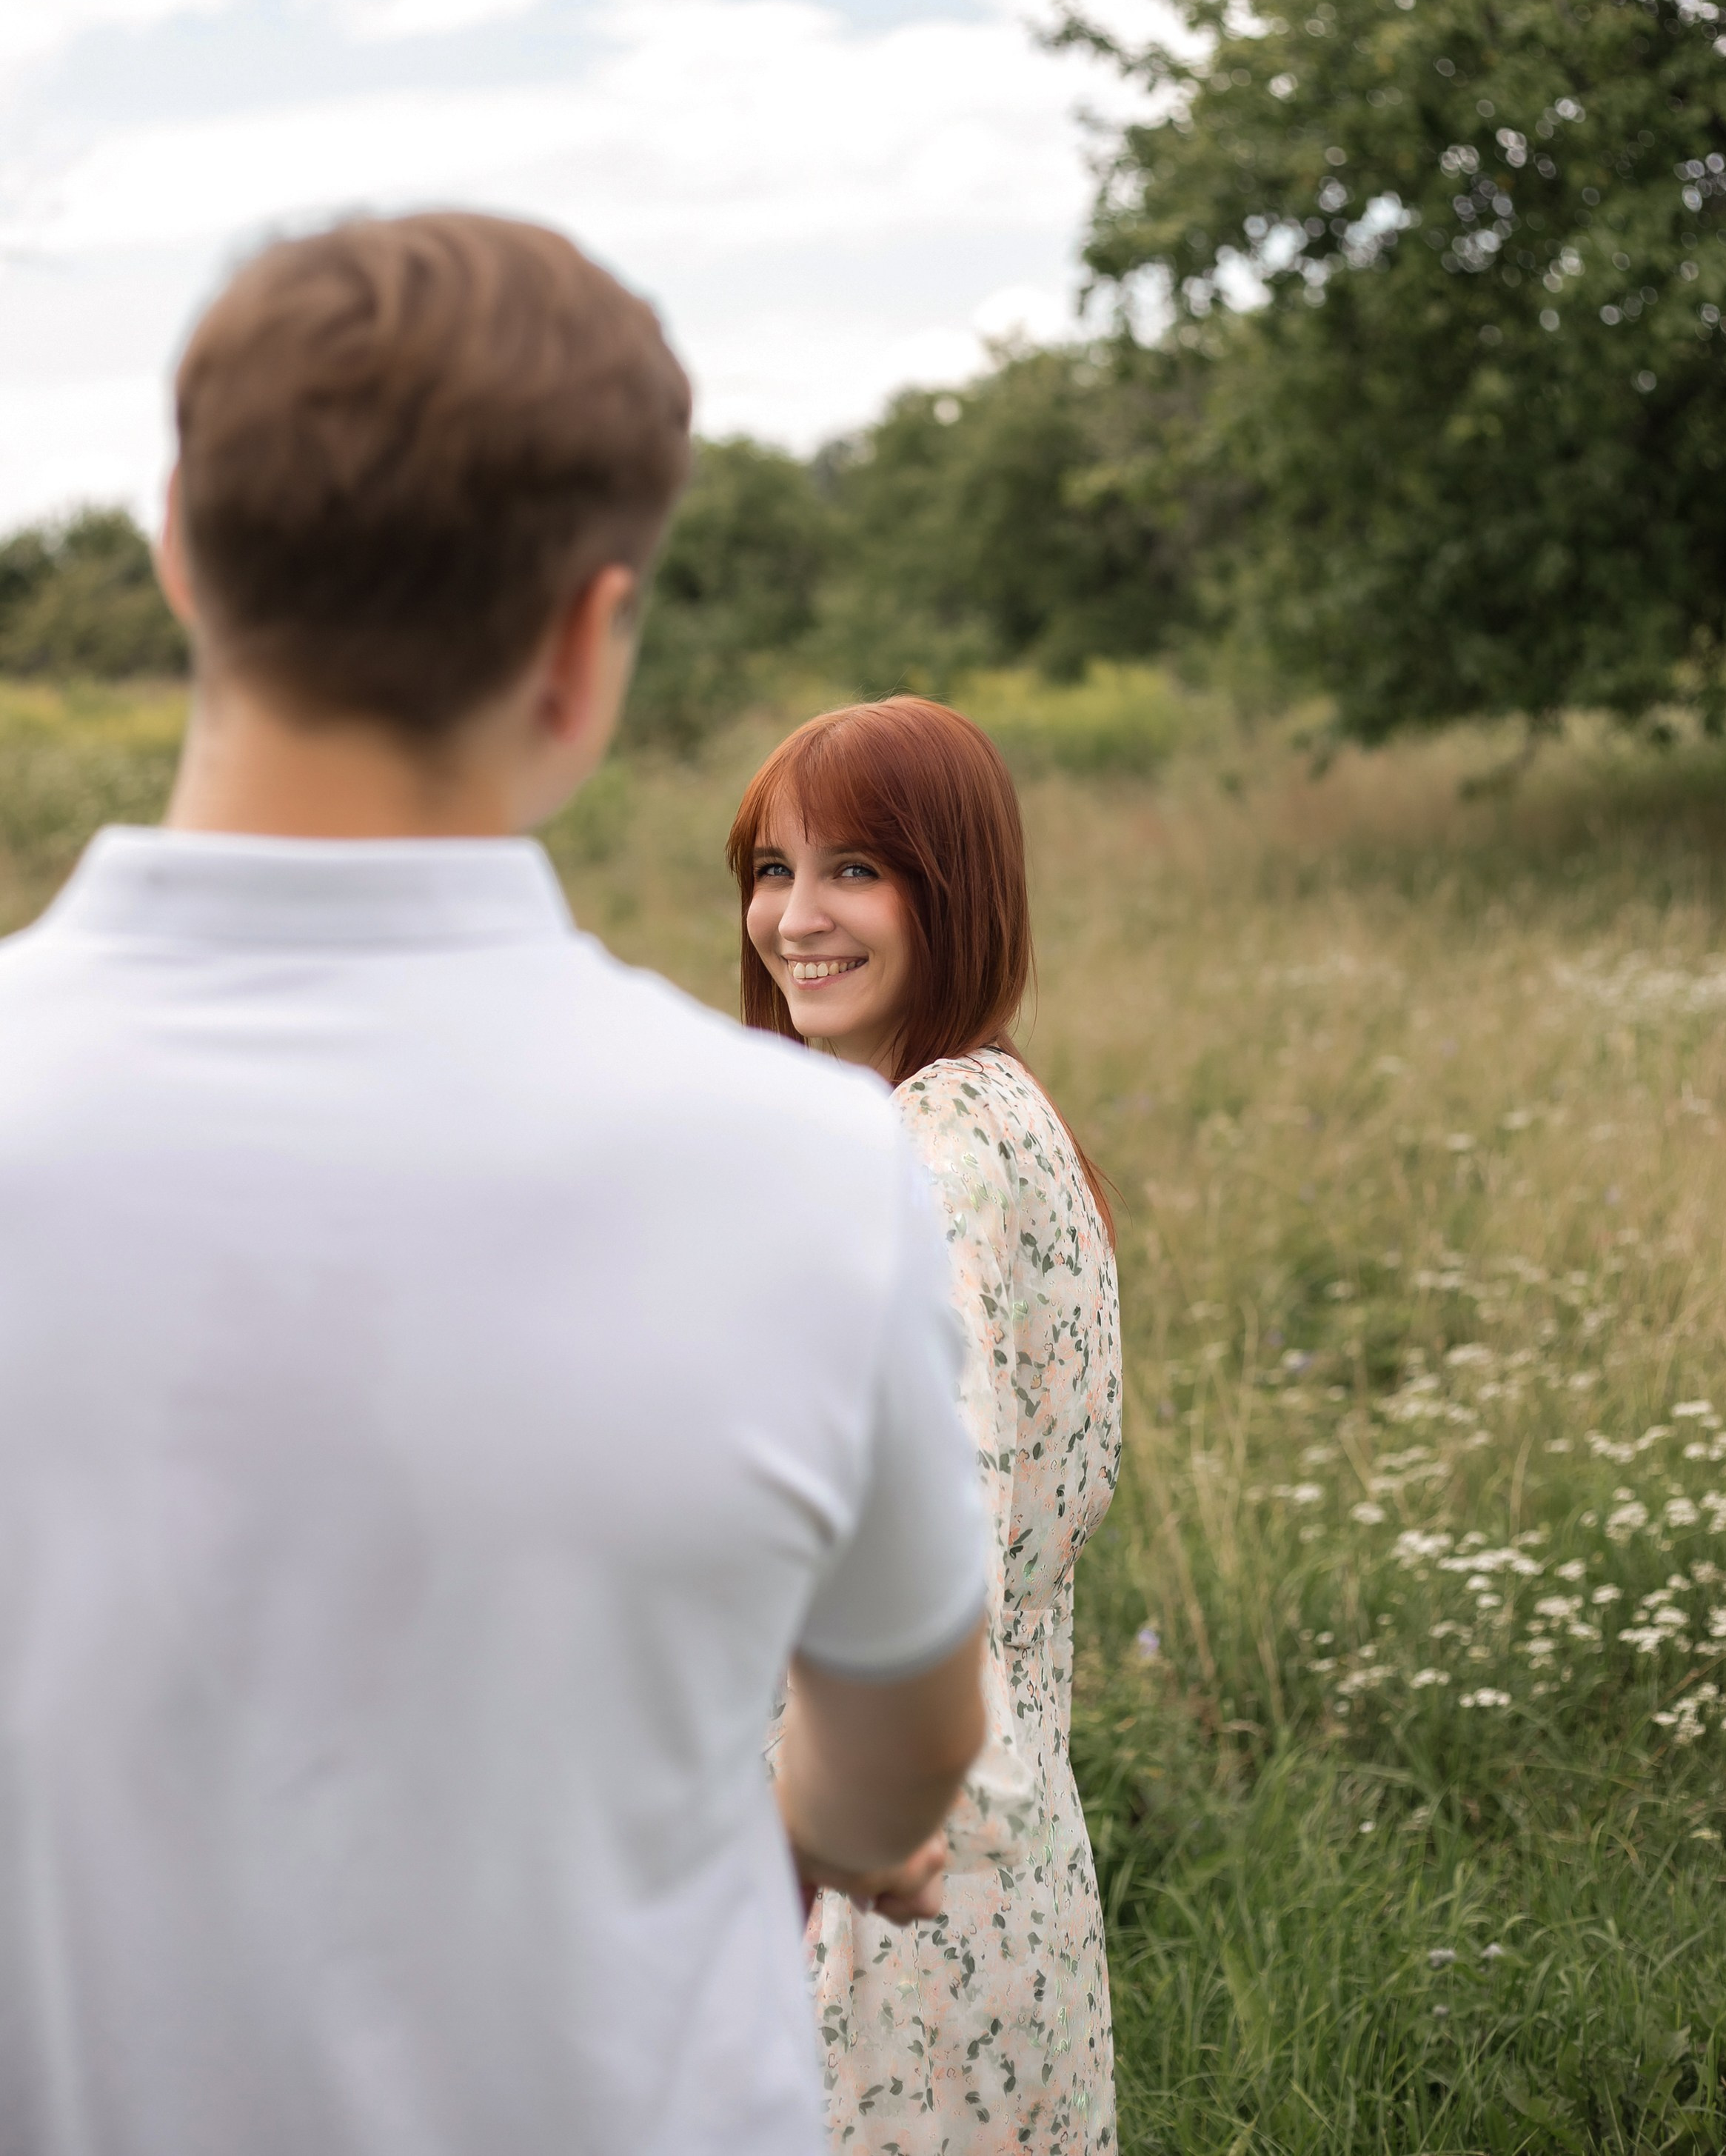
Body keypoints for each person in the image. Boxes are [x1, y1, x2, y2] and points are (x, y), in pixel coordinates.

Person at [0, 212, 989, 2156]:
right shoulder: (804, 1171)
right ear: (578, 635)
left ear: (182, 547)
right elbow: (902, 1752)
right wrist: (809, 1836)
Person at [727, 698, 1123, 2156]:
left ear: (949, 888)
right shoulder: (998, 1109)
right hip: (1002, 1854)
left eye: (854, 870)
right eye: (773, 869)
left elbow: (919, 1536)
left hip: (897, 1862)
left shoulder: (934, 1147)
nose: (795, 916)